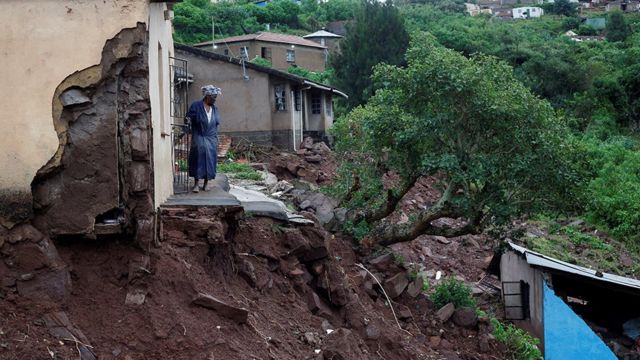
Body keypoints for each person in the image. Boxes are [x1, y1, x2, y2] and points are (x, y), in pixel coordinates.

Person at [185, 85, 221, 193]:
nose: (215, 99)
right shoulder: (196, 106)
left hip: (211, 137)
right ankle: (196, 184)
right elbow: (188, 118)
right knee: (198, 157)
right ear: (207, 96)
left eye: (216, 97)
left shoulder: (215, 109)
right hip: (199, 135)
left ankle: (206, 183)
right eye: (213, 97)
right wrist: (188, 122)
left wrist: (216, 139)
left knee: (210, 159)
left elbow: (216, 124)